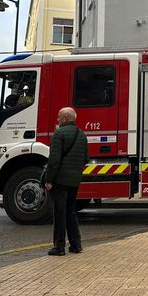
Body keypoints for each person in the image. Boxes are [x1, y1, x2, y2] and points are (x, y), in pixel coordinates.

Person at [43, 107, 90, 256]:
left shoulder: (59, 133)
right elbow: (86, 158)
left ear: (64, 118)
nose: (57, 120)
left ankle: (59, 247)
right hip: (74, 180)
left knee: (59, 213)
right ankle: (76, 245)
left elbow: (54, 160)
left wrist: (49, 179)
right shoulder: (82, 135)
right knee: (71, 212)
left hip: (59, 181)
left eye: (59, 118)